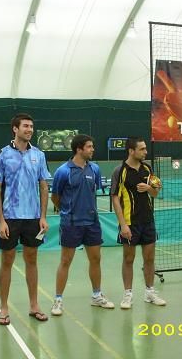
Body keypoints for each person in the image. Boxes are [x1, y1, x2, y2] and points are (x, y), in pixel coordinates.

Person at [0, 113, 50, 325]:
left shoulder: (39, 155)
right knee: (7, 261)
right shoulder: (2, 155)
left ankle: (34, 305)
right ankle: (4, 308)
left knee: (32, 260)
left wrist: (43, 216)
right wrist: (1, 221)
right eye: (25, 126)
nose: (29, 129)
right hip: (10, 218)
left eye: (31, 126)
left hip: (33, 218)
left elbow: (44, 186)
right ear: (15, 129)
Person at [50, 134, 114, 316]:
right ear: (79, 149)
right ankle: (58, 300)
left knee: (95, 259)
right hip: (71, 223)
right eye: (89, 147)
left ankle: (96, 296)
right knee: (65, 261)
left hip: (92, 223)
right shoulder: (63, 171)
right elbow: (55, 197)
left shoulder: (95, 169)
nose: (93, 149)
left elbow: (93, 191)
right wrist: (67, 211)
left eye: (92, 146)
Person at [111, 137, 166, 309]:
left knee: (149, 258)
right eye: (142, 149)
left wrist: (149, 188)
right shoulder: (120, 171)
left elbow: (156, 192)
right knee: (129, 259)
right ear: (131, 151)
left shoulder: (147, 168)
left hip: (148, 221)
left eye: (145, 148)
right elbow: (115, 198)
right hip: (130, 223)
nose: (145, 152)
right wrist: (123, 224)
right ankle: (128, 295)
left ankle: (150, 293)